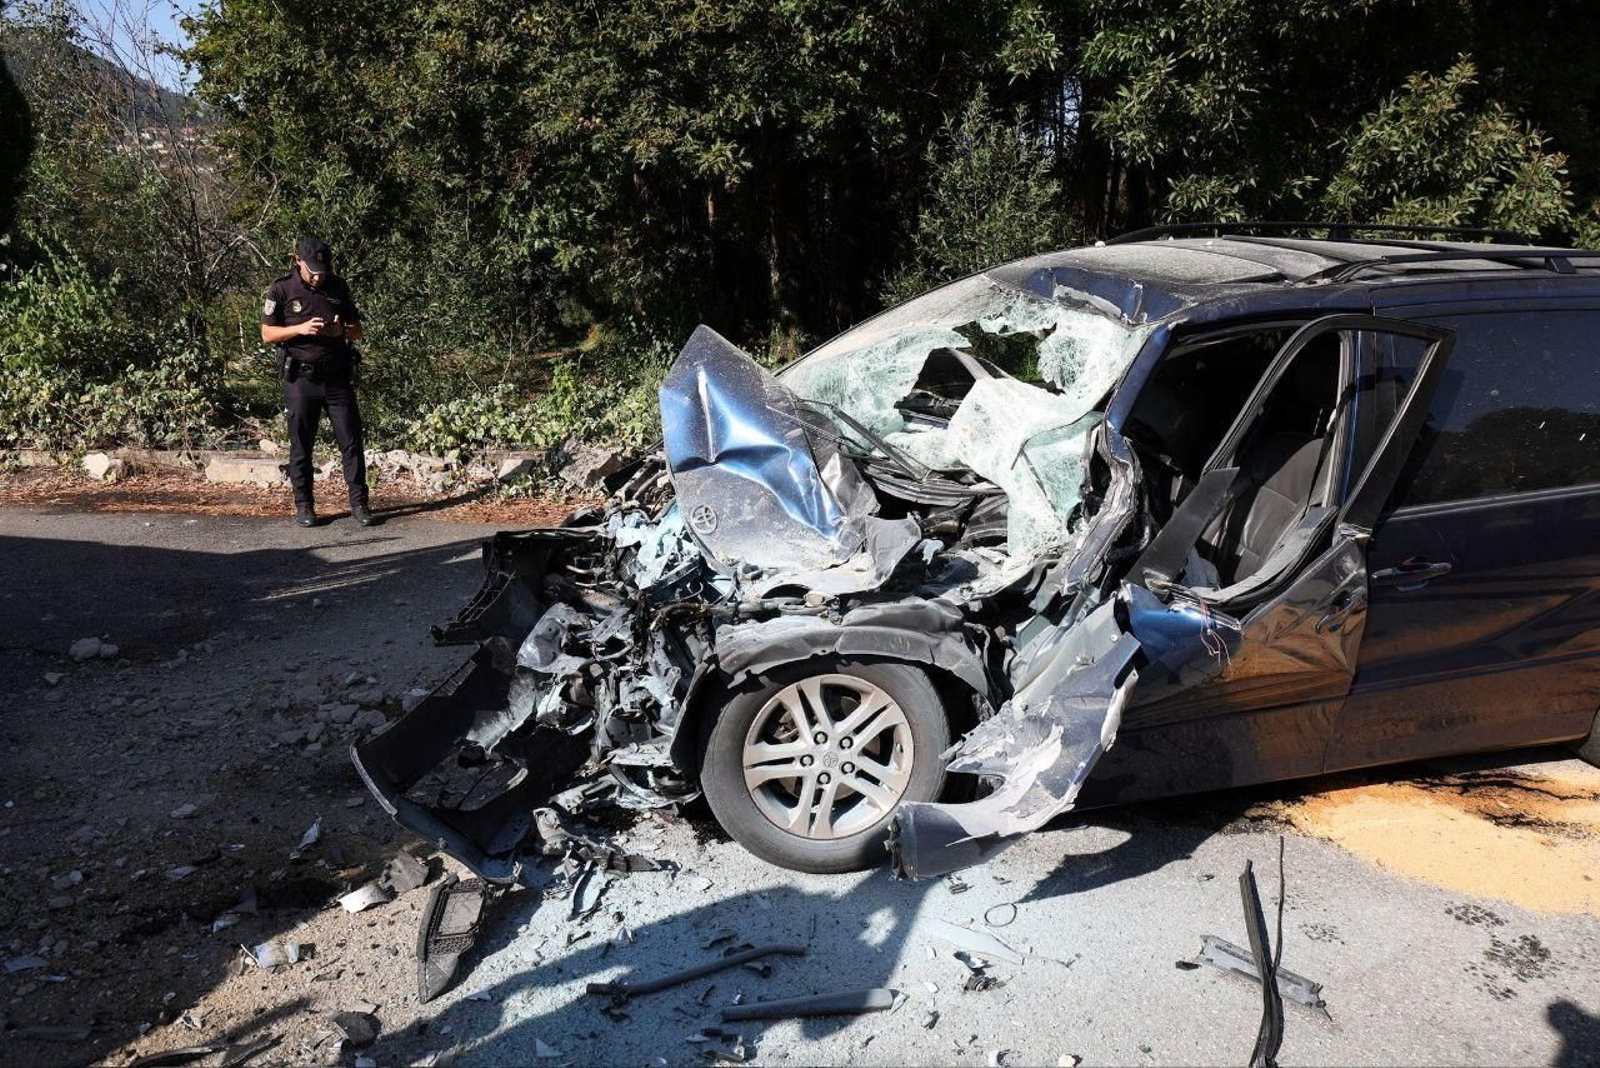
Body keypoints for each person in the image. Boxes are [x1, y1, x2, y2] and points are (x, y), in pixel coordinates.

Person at [259, 237, 378, 527]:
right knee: (302, 443)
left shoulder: (337, 286)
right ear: (297, 261)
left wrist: (340, 330)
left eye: (322, 269)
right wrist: (300, 328)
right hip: (301, 378)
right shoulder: (282, 289)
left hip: (336, 376)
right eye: (312, 269)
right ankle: (304, 505)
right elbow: (267, 334)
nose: (318, 275)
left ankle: (359, 504)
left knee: (350, 440)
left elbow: (357, 331)